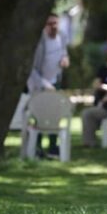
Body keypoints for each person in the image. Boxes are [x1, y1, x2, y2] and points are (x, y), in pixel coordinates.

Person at [27, 13, 70, 157]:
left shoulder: (62, 37)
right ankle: (37, 148)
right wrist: (43, 84)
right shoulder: (39, 41)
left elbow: (64, 52)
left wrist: (64, 59)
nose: (53, 27)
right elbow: (31, 68)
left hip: (55, 82)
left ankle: (53, 147)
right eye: (50, 24)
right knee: (38, 115)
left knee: (55, 115)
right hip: (39, 84)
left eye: (55, 23)